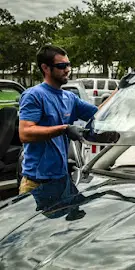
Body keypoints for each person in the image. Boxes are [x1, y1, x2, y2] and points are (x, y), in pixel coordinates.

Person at [18, 45, 98, 211]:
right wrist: (64, 129)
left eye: (69, 65)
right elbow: (25, 133)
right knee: (33, 235)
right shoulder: (34, 95)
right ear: (45, 68)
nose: (67, 70)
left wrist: (120, 90)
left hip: (62, 181)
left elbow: (101, 114)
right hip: (36, 184)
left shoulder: (69, 98)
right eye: (62, 66)